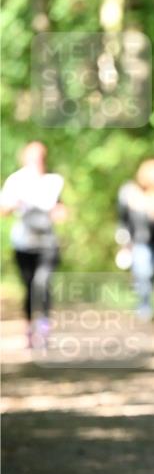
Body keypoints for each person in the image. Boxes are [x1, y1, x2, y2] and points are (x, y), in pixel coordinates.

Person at [0, 141, 66, 348]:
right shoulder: (16, 181)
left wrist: (59, 213)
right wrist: (14, 204)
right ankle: (30, 327)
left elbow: (61, 209)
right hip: (24, 243)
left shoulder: (53, 181)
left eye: (40, 156)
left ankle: (44, 327)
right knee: (29, 287)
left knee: (43, 283)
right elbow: (3, 209)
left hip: (47, 242)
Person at [116, 159, 154, 321]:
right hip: (139, 242)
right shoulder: (130, 193)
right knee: (143, 272)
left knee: (152, 274)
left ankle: (146, 304)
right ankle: (144, 309)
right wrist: (123, 242)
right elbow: (123, 220)